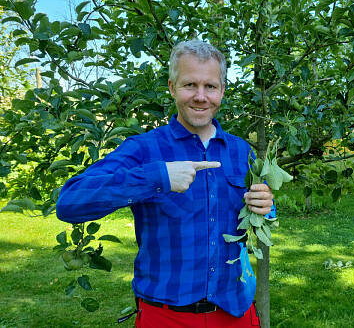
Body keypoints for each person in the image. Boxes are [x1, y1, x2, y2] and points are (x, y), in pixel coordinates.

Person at [56, 40, 274, 328]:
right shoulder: (143, 149)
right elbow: (70, 203)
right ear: (172, 87)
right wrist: (156, 178)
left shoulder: (240, 150)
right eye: (189, 85)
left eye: (210, 86)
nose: (200, 96)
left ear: (222, 90)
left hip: (235, 311)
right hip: (167, 316)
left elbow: (258, 215)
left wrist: (266, 206)